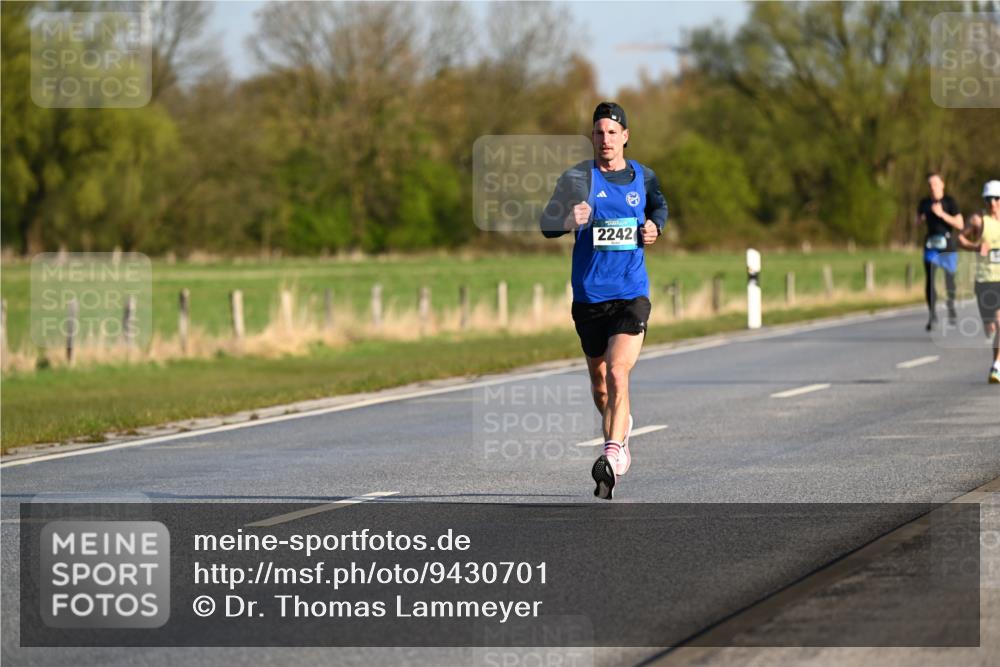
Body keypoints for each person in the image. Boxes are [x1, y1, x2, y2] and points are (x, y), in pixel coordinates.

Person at [540, 102, 668, 499]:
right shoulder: (577, 178)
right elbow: (546, 224)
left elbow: (659, 207)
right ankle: (621, 429)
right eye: (599, 132)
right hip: (589, 298)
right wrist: (568, 220)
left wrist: (653, 228)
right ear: (592, 137)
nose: (606, 139)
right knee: (600, 386)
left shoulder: (642, 177)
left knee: (617, 373)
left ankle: (611, 453)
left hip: (631, 294)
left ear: (625, 136)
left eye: (613, 132)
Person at [957, 180, 1000, 384]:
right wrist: (975, 247)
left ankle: (996, 366)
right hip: (985, 280)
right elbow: (960, 239)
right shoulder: (978, 220)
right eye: (988, 199)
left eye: (996, 198)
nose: (992, 203)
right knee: (990, 327)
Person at [917, 173, 964, 330]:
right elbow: (917, 221)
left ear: (942, 184)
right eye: (930, 184)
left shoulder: (950, 202)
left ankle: (951, 307)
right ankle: (932, 316)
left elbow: (960, 224)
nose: (933, 187)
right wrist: (921, 219)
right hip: (931, 244)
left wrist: (942, 214)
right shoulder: (924, 203)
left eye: (935, 184)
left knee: (949, 281)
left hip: (947, 245)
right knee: (930, 280)